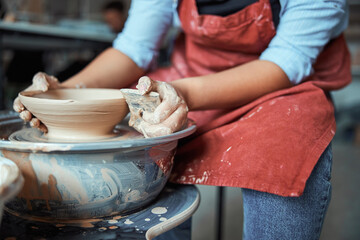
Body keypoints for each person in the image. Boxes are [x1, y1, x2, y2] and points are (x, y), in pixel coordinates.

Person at [13, 0, 351, 239]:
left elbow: (287, 61)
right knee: (147, 152)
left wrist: (182, 93)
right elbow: (134, 48)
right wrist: (64, 91)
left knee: (283, 157)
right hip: (192, 75)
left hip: (281, 88)